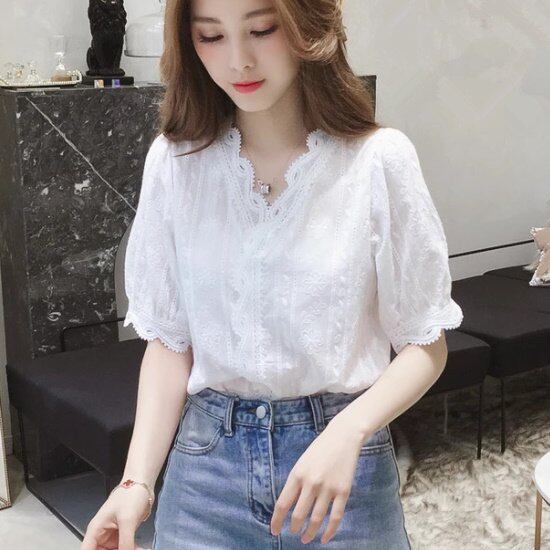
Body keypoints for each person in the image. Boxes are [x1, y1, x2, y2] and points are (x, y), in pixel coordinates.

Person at [82, 0, 463, 548]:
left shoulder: (377, 161)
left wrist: (349, 430)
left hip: (341, 476)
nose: (239, 60)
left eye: (262, 29)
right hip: (205, 478)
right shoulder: (176, 163)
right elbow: (170, 345)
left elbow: (425, 344)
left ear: (309, 26)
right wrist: (135, 483)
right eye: (211, 36)